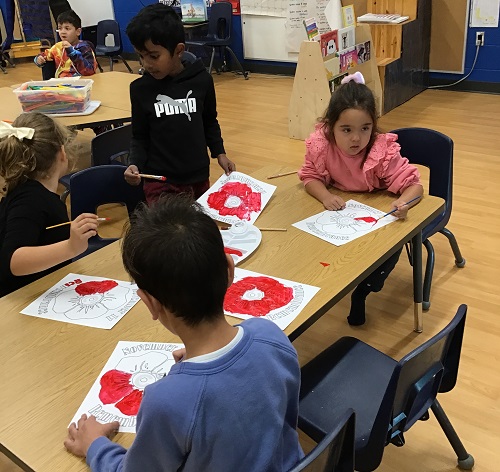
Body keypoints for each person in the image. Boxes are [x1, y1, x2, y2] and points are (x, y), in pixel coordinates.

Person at [64, 195, 303, 471]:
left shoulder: (166, 401)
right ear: (229, 270)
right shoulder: (269, 334)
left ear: (150, 303)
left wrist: (95, 445)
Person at [298, 71, 423, 326]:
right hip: (340, 214)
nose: (356, 138)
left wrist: (404, 203)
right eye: (346, 130)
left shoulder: (380, 151)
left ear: (373, 127)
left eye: (365, 129)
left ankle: (363, 291)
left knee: (389, 248)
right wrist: (324, 195)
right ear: (330, 127)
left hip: (375, 215)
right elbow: (309, 176)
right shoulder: (322, 145)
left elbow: (415, 186)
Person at [123, 4, 235, 204]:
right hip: (159, 181)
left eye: (154, 56)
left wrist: (219, 152)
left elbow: (209, 120)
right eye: (141, 56)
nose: (146, 64)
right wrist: (134, 164)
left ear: (179, 50)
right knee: (168, 233)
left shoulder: (202, 81)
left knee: (196, 231)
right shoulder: (140, 89)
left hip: (198, 177)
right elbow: (139, 136)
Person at [0, 113, 99, 297]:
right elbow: (13, 260)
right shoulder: (31, 201)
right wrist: (70, 247)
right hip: (21, 303)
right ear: (62, 153)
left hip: (40, 292)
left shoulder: (28, 191)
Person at [34, 10, 97, 78]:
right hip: (61, 84)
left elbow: (90, 70)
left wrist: (72, 52)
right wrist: (39, 59)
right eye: (60, 28)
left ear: (78, 32)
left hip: (81, 82)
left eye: (67, 28)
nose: (63, 32)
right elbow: (44, 55)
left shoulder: (84, 48)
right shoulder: (57, 47)